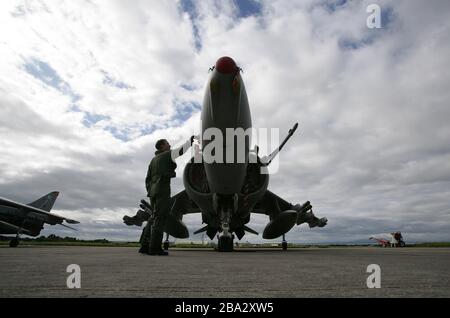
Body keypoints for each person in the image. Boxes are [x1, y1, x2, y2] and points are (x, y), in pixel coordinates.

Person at [144, 136, 194, 255]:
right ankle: (155, 248)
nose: (170, 145)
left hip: (153, 191)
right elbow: (180, 151)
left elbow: (147, 178)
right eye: (167, 144)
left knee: (153, 217)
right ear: (162, 146)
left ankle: (145, 246)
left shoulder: (153, 160)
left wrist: (150, 191)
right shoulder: (167, 155)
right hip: (162, 189)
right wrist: (190, 142)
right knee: (161, 217)